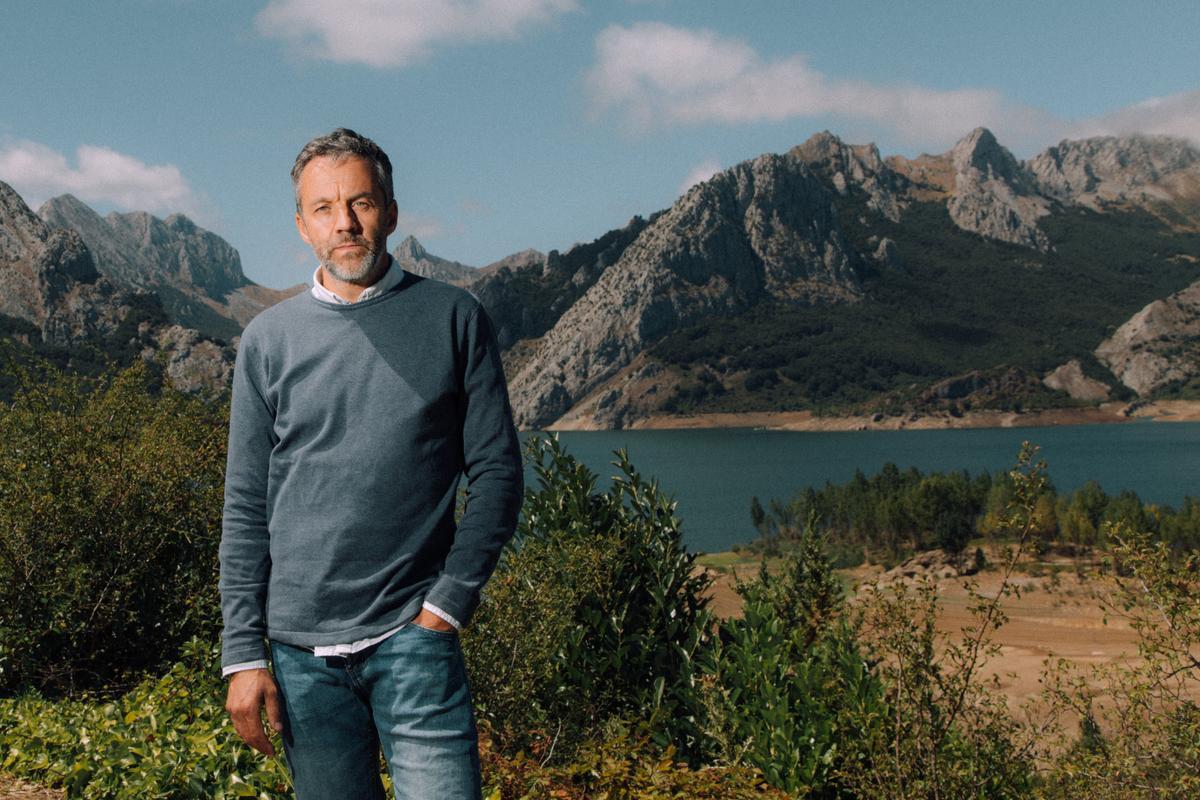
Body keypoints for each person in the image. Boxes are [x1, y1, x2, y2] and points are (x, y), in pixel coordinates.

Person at [219, 127, 523, 799]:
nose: (345, 223)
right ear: (302, 226)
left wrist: (446, 607)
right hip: (300, 658)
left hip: (414, 642)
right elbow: (245, 504)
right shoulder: (266, 341)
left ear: (390, 209)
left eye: (360, 202)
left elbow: (498, 474)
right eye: (324, 208)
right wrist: (243, 653)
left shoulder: (453, 317)